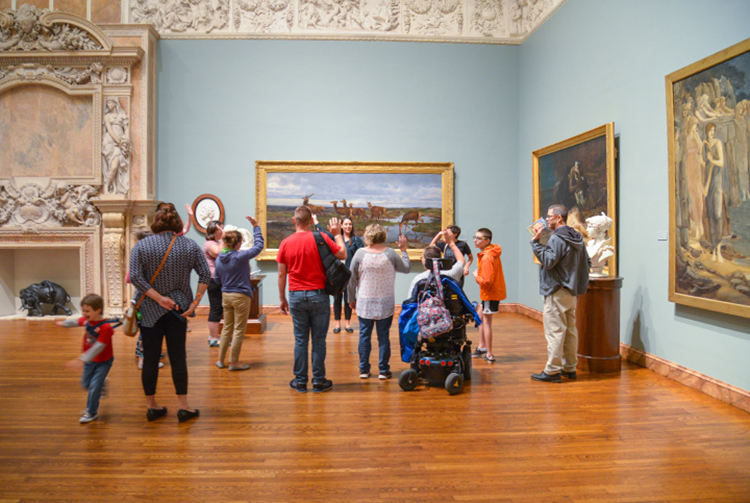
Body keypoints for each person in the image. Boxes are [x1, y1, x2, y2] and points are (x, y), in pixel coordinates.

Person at [130, 202, 211, 422]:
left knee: (149, 358)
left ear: (155, 222)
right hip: (178, 311)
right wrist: (195, 303)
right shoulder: (189, 245)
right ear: (176, 222)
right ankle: (184, 407)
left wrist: (157, 297)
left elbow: (136, 277)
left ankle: (152, 406)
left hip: (148, 310)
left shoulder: (141, 246)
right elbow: (205, 275)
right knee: (178, 358)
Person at [277, 206, 346, 393]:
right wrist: (337, 234)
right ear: (310, 220)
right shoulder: (320, 237)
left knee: (300, 340)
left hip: (296, 296)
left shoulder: (285, 243)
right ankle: (318, 381)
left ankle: (300, 381)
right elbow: (343, 254)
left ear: (294, 221)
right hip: (318, 295)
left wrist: (282, 299)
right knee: (318, 340)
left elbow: (282, 275)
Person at [530, 204, 590, 383]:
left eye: (549, 216)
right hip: (572, 291)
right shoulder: (577, 236)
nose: (546, 219)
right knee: (570, 331)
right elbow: (586, 262)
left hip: (556, 290)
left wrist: (536, 243)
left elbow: (549, 261)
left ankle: (552, 371)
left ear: (558, 218)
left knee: (555, 331)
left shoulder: (556, 238)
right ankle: (570, 368)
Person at [347, 225, 410, 380]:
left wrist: (351, 299)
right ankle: (383, 370)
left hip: (364, 301)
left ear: (367, 236)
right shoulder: (390, 253)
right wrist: (404, 250)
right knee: (383, 337)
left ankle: (364, 369)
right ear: (383, 236)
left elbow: (351, 280)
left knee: (364, 336)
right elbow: (406, 268)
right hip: (385, 301)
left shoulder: (360, 254)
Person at [214, 218, 265, 371]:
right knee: (238, 329)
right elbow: (259, 246)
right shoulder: (239, 256)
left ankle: (221, 360)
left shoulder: (219, 258)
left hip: (226, 295)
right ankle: (234, 362)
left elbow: (217, 279)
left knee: (226, 328)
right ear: (237, 243)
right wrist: (256, 226)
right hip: (241, 296)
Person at [56, 294, 115, 424]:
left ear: (98, 310)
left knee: (94, 388)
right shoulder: (88, 321)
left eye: (87, 311)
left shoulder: (106, 328)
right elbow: (77, 321)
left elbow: (99, 347)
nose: (84, 313)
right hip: (89, 361)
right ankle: (103, 383)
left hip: (103, 362)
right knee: (86, 384)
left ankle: (91, 412)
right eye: (83, 310)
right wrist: (63, 324)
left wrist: (81, 359)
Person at [471, 228, 506, 363]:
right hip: (488, 293)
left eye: (479, 238)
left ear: (487, 241)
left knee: (487, 322)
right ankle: (481, 347)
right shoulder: (490, 252)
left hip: (489, 293)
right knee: (479, 317)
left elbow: (486, 281)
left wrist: (476, 276)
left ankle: (489, 354)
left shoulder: (487, 257)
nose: (475, 240)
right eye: (475, 237)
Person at [410, 228, 466, 297]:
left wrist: (439, 234)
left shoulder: (418, 278)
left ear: (426, 259)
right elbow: (461, 260)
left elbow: (411, 302)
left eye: (422, 257)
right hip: (448, 308)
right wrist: (451, 242)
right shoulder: (450, 274)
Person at [703, 122, 727, 262]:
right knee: (711, 217)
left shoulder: (717, 143)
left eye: (714, 130)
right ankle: (713, 250)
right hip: (708, 184)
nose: (712, 132)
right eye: (710, 130)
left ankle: (719, 250)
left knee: (718, 215)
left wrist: (712, 160)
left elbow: (722, 162)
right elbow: (703, 163)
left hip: (717, 184)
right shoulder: (705, 145)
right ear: (706, 132)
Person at [334, 217, 364, 333]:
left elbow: (362, 256)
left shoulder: (356, 240)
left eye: (350, 224)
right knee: (337, 299)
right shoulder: (337, 239)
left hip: (350, 275)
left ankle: (347, 324)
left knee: (349, 299)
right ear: (341, 226)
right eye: (345, 224)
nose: (348, 226)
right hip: (337, 275)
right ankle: (337, 324)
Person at [203, 219, 224, 347]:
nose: (222, 231)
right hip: (213, 279)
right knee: (216, 308)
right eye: (221, 229)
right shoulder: (209, 244)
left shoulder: (215, 242)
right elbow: (218, 253)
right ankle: (214, 338)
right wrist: (225, 237)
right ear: (215, 230)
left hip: (217, 279)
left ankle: (213, 336)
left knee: (218, 308)